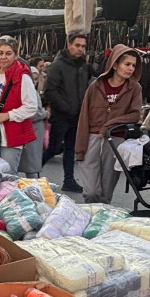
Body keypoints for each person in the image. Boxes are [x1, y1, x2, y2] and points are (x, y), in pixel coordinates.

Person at [75, 44, 143, 203]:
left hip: (115, 141)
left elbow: (135, 115)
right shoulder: (95, 86)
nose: (131, 68)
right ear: (115, 64)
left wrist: (111, 124)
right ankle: (90, 211)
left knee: (105, 195)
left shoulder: (135, 88)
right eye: (127, 64)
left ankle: (98, 224)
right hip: (92, 138)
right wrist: (80, 148)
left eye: (134, 65)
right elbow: (84, 117)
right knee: (91, 192)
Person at [0, 36, 38, 172]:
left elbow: (31, 106)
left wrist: (9, 115)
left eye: (8, 53)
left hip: (12, 135)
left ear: (16, 55)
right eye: (0, 53)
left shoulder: (23, 77)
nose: (3, 57)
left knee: (8, 177)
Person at [43, 33, 91, 192]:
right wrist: (67, 108)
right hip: (61, 115)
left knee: (70, 149)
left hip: (77, 116)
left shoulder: (84, 66)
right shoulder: (57, 66)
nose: (80, 49)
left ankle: (69, 180)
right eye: (77, 45)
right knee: (54, 148)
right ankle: (32, 174)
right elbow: (50, 91)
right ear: (69, 45)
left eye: (83, 46)